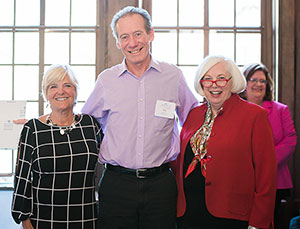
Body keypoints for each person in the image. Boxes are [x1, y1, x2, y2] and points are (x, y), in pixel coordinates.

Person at [81, 6, 198, 229]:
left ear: (150, 34)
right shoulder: (107, 81)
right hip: (117, 184)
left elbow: (192, 121)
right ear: (118, 42)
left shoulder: (173, 76)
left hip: (161, 184)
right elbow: (86, 124)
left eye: (138, 34)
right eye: (124, 37)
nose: (132, 43)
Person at [171, 55, 277, 229]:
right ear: (201, 83)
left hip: (232, 215)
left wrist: (258, 222)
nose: (214, 85)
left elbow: (266, 175)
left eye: (221, 79)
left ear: (232, 81)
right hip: (189, 213)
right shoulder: (193, 114)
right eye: (208, 79)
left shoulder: (254, 116)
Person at [11, 64, 103, 229]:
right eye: (53, 86)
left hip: (86, 218)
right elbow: (22, 179)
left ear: (75, 91)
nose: (61, 91)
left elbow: (111, 159)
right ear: (46, 93)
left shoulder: (90, 125)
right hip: (44, 221)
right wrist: (24, 219)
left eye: (67, 85)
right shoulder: (32, 129)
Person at [240, 63, 297, 229]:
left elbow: (290, 140)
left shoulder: (281, 110)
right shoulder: (235, 111)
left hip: (276, 180)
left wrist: (264, 162)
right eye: (254, 80)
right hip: (243, 179)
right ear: (244, 84)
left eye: (263, 81)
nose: (259, 84)